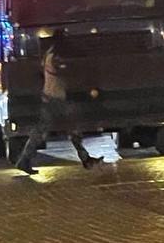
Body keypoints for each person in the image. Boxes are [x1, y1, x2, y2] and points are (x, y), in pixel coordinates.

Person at [15, 39, 103, 173]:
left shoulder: (48, 55)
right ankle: (24, 160)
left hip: (51, 98)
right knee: (67, 129)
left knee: (49, 130)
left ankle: (24, 160)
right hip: (55, 99)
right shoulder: (54, 57)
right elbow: (65, 72)